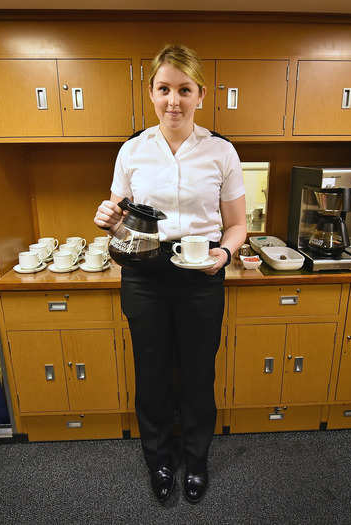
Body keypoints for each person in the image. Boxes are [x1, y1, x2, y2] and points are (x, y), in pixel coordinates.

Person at [93, 44, 246, 504]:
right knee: (153, 372)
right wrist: (107, 218)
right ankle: (159, 460)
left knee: (198, 374)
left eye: (184, 89)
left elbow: (238, 225)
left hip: (202, 272)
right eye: (164, 89)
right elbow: (120, 217)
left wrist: (224, 254)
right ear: (152, 93)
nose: (173, 101)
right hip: (145, 273)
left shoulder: (221, 152)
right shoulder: (132, 151)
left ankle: (195, 459)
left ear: (201, 93)